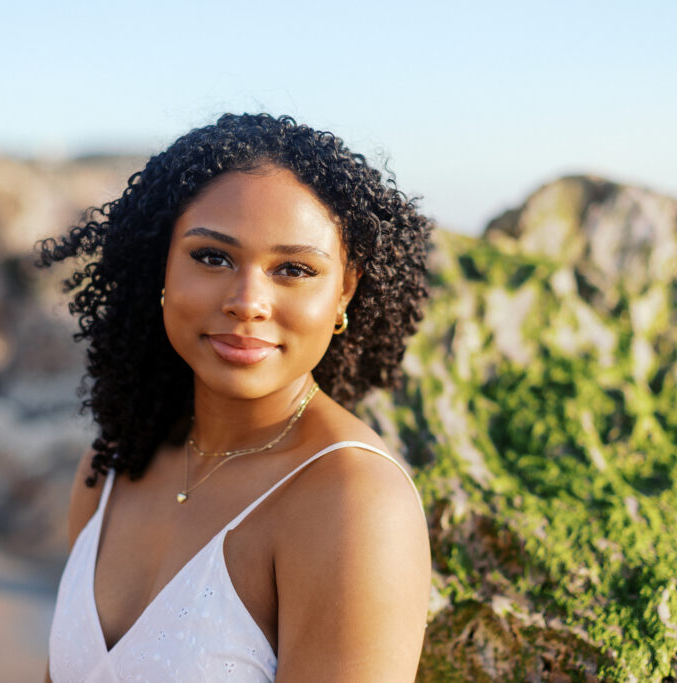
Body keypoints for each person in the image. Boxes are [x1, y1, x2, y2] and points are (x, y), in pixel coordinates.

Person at [37, 113, 433, 682]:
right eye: (213, 257)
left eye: (293, 269)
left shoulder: (352, 502)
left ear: (344, 289)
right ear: (162, 267)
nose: (248, 301)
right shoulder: (116, 463)